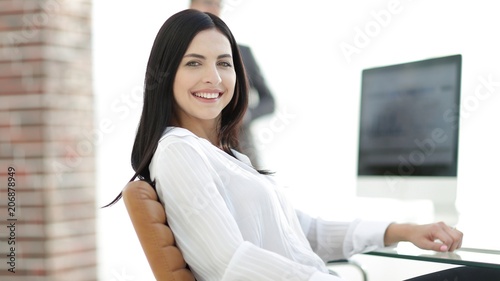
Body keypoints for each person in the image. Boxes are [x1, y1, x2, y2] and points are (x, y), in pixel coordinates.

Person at [104, 9, 463, 281]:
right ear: (166, 75)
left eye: (224, 64)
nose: (213, 77)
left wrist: (402, 230)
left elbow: (304, 232)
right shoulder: (179, 151)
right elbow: (230, 263)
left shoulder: (225, 157)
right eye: (194, 63)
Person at [190, 0, 276, 169]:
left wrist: (246, 114)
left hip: (241, 144)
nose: (212, 8)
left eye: (217, 5)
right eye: (207, 2)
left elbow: (269, 101)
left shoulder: (242, 52)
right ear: (191, 7)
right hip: (197, 143)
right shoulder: (180, 52)